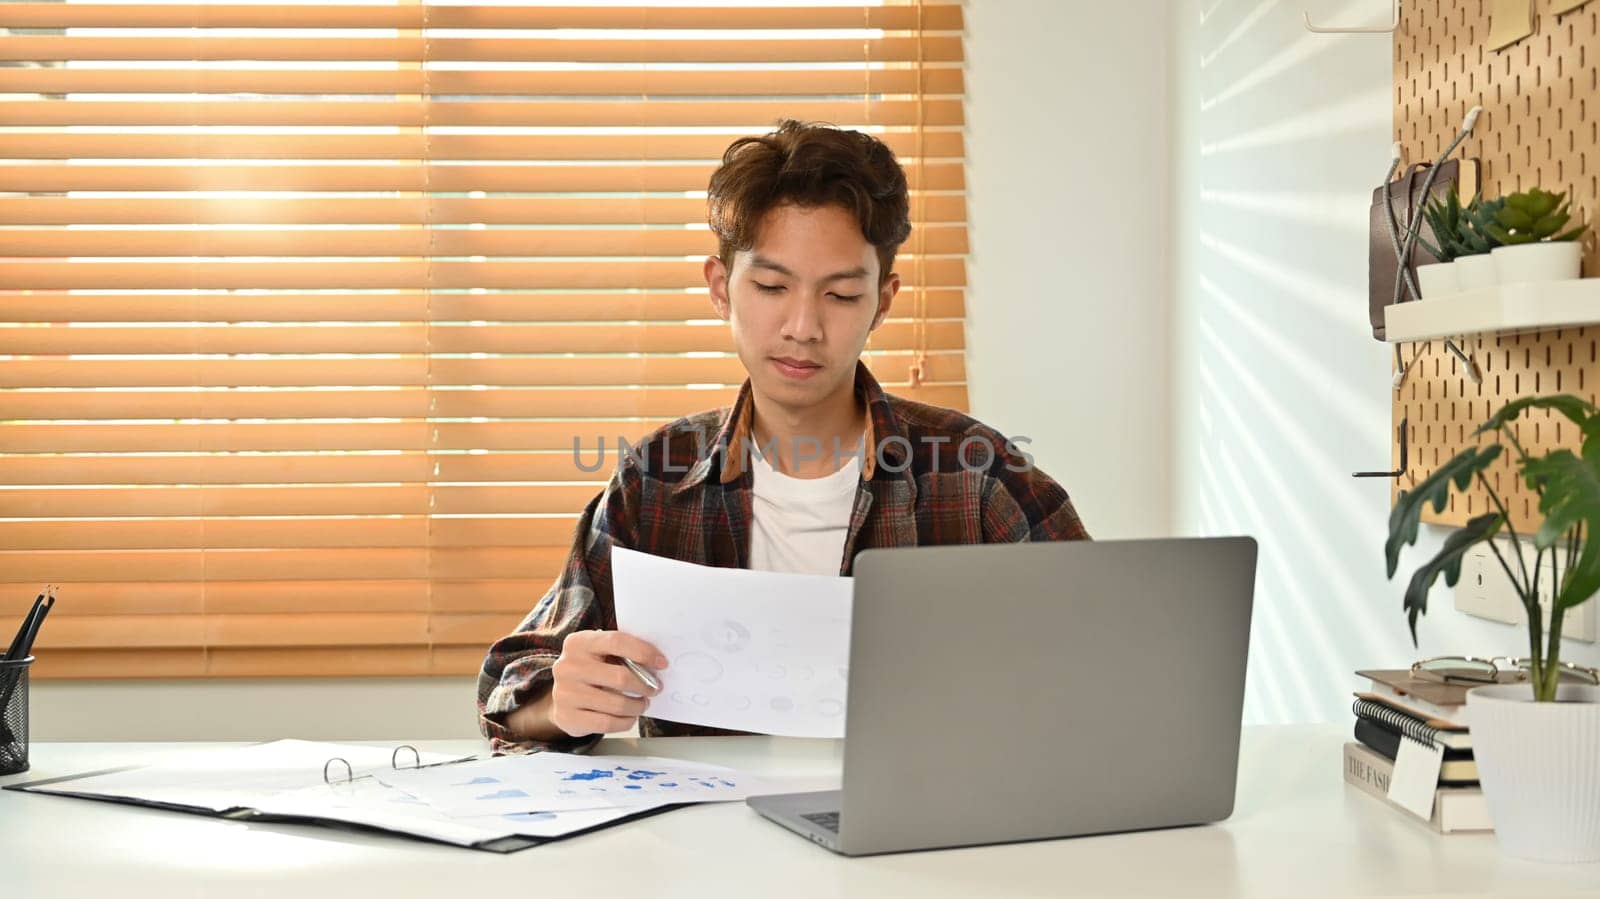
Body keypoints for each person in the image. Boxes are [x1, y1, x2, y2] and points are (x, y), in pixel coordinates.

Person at [477, 120, 1090, 754]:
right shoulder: (657, 478)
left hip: (917, 839)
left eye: (842, 294)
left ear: (882, 302)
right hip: (710, 840)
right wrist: (563, 703)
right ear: (721, 288)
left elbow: (1112, 657)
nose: (803, 327)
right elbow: (506, 697)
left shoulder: (975, 474)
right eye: (771, 287)